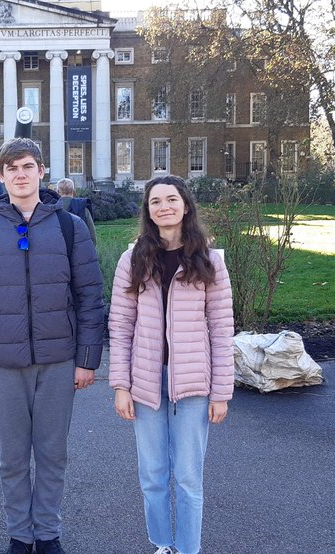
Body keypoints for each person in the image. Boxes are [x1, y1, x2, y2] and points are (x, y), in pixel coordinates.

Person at [0, 138, 106, 554]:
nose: (20, 175)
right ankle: (20, 535)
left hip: (59, 361)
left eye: (28, 166)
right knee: (12, 458)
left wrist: (88, 359)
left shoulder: (69, 227)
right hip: (2, 363)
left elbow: (90, 295)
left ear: (41, 172)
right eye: (11, 168)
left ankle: (47, 534)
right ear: (1, 176)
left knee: (53, 455)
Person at [107, 175, 235, 554]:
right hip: (145, 380)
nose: (163, 207)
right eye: (155, 201)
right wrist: (120, 385)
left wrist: (221, 393)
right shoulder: (133, 259)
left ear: (185, 205)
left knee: (189, 478)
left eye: (171, 199)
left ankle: (189, 548)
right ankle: (162, 544)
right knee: (152, 475)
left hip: (195, 383)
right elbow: (120, 324)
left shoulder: (210, 261)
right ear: (147, 211)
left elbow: (221, 328)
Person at [55, 178, 96, 244]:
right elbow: (92, 235)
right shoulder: (83, 208)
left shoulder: (52, 209)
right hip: (80, 249)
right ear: (74, 191)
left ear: (57, 191)